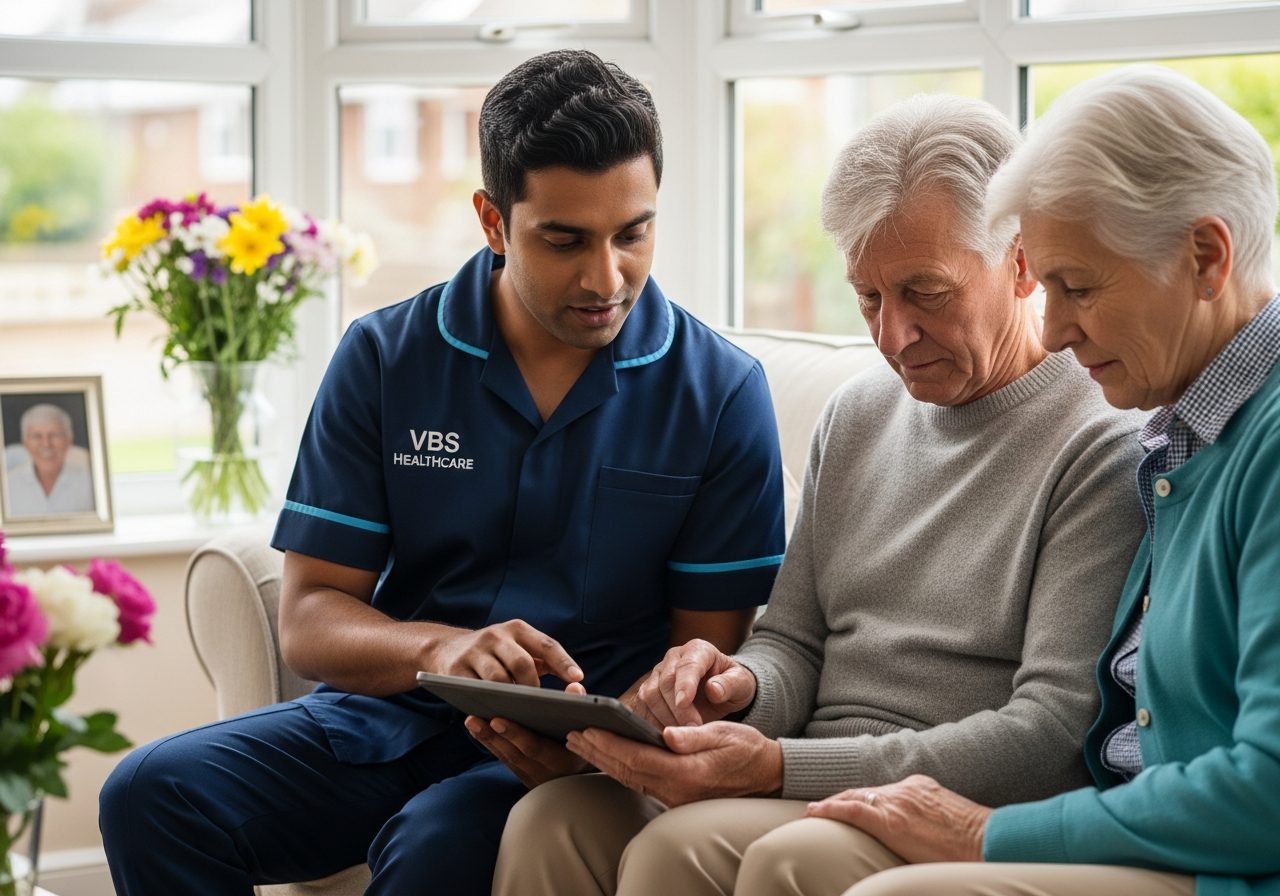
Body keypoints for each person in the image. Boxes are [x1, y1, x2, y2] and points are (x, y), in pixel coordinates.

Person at [99, 50, 786, 896]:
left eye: (632, 234)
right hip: (385, 724)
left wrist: (605, 747)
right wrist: (443, 647)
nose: (607, 278)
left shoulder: (720, 392)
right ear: (493, 222)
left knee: (437, 848)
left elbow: (706, 653)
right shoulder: (384, 358)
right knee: (149, 793)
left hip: (568, 765)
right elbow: (308, 620)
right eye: (565, 240)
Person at [493, 94, 1150, 896]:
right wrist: (736, 688)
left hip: (940, 798)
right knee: (553, 817)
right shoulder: (860, 412)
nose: (893, 335)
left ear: (1019, 261)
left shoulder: (1100, 441)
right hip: (807, 765)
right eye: (869, 297)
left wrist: (776, 767)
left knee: (685, 848)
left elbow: (1052, 731)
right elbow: (794, 642)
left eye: (926, 292)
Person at [785, 65, 1280, 896]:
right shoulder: (1184, 435)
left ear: (1205, 256)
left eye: (1075, 286)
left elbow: (1264, 789)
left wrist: (990, 832)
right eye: (1046, 285)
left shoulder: (1244, 443)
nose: (1049, 330)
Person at [4, 403, 94, 516]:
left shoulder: (92, 483)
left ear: (69, 440)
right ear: (25, 442)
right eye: (37, 436)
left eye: (54, 435)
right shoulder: (6, 485)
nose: (46, 444)